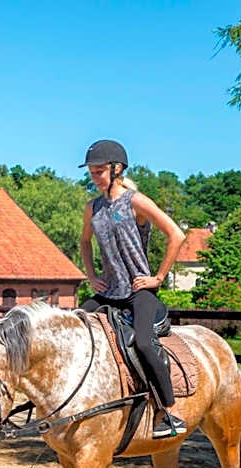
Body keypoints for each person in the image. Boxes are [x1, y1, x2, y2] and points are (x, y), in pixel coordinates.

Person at [78, 139, 187, 438]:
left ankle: (169, 412)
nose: (94, 177)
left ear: (117, 169)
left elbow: (176, 235)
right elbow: (84, 241)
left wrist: (158, 278)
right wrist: (91, 276)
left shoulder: (135, 201)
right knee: (75, 322)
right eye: (91, 172)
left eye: (99, 171)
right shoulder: (93, 208)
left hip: (140, 291)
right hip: (108, 291)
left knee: (143, 343)